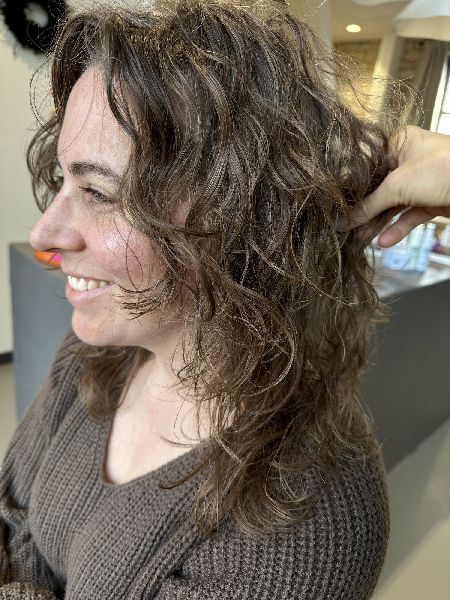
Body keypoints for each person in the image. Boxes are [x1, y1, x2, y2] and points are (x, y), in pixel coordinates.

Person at [0, 1, 448, 598]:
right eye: (63, 180)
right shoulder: (95, 358)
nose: (44, 233)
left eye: (99, 193)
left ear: (243, 221)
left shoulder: (307, 516)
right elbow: (11, 518)